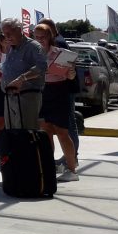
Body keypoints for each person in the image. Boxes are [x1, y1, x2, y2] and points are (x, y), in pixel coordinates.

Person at [34, 22, 79, 182]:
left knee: (62, 132)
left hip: (59, 92)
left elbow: (71, 76)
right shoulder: (33, 53)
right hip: (41, 92)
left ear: (49, 37)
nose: (40, 40)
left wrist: (71, 72)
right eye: (37, 37)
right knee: (45, 132)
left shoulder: (61, 53)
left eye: (43, 37)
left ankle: (72, 170)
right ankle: (49, 167)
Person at [43, 17, 80, 158]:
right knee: (67, 125)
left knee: (66, 126)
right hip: (65, 87)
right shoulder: (60, 40)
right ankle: (71, 157)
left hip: (63, 88)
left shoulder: (58, 43)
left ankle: (71, 157)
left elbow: (64, 66)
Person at [0, 18, 47, 129]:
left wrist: (21, 79)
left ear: (19, 30)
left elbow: (42, 67)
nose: (7, 37)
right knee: (11, 132)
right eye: (4, 34)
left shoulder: (33, 46)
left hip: (27, 96)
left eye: (9, 33)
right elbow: (8, 67)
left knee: (26, 132)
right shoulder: (10, 47)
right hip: (9, 95)